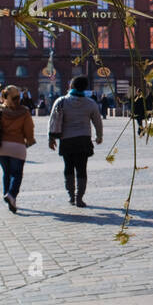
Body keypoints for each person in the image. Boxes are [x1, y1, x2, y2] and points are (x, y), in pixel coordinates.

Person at [48, 75, 103, 207]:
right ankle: (79, 197)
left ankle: (71, 195)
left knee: (68, 167)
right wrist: (99, 136)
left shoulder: (61, 101)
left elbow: (53, 120)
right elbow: (97, 121)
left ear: (71, 86)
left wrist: (51, 138)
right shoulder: (90, 103)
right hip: (83, 140)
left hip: (66, 140)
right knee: (82, 169)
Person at [0, 85, 35, 213]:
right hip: (18, 147)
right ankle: (11, 195)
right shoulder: (24, 111)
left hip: (2, 147)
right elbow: (29, 131)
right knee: (17, 174)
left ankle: (9, 197)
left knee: (7, 173)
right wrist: (29, 140)